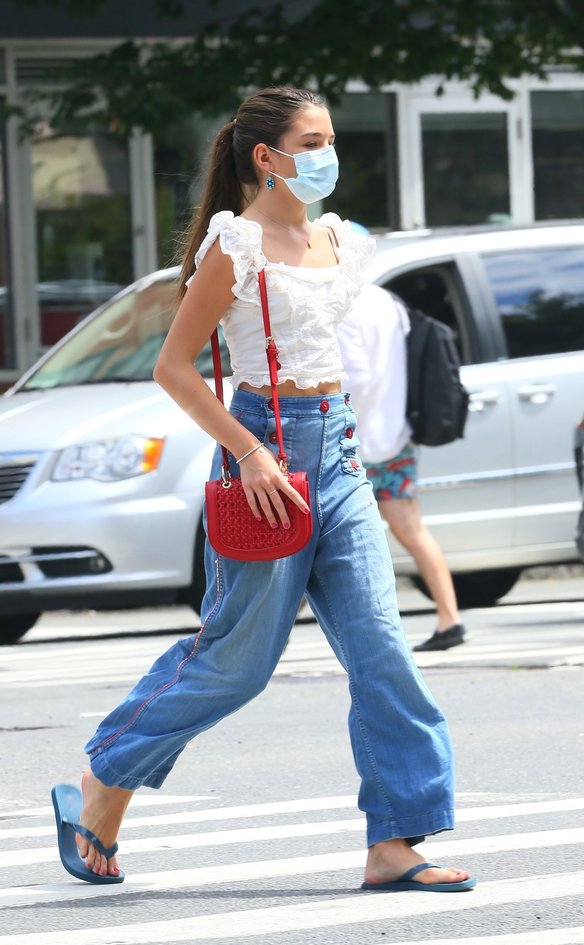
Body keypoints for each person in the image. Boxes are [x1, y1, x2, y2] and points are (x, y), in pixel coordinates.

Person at [50, 86, 475, 894]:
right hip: (264, 453)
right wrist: (246, 452)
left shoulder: (340, 241)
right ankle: (105, 778)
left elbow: (341, 356)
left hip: (340, 453)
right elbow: (173, 366)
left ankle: (396, 840)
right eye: (311, 140)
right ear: (266, 158)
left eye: (330, 138)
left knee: (383, 647)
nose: (328, 154)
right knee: (237, 663)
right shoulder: (235, 247)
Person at [337, 282, 467, 653]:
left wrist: (340, 425)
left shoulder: (343, 304)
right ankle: (450, 617)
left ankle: (276, 635)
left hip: (355, 439)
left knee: (321, 534)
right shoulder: (387, 300)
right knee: (411, 528)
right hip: (396, 432)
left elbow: (357, 378)